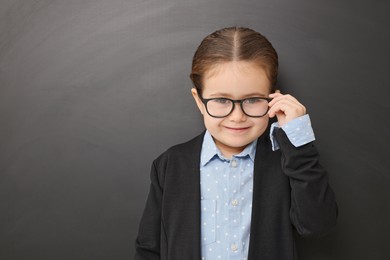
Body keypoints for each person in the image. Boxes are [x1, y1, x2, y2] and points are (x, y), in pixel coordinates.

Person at [134, 26, 338, 260]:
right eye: (221, 100)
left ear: (274, 98)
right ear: (199, 101)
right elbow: (148, 248)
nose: (237, 116)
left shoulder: (286, 161)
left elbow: (318, 225)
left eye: (252, 99)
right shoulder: (170, 165)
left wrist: (298, 141)